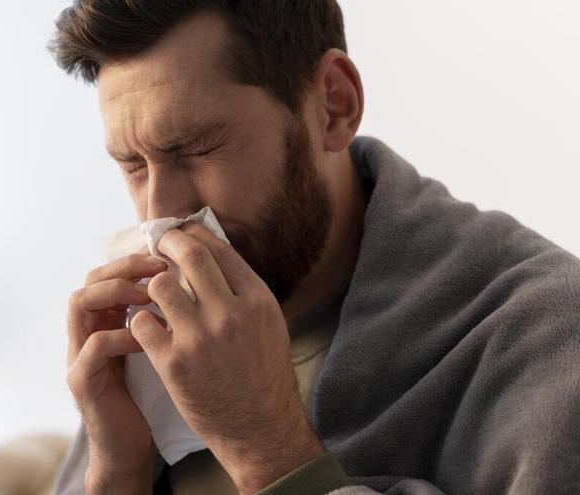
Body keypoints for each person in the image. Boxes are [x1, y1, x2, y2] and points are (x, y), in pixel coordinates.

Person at [47, 1, 580, 494]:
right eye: (133, 165)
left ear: (334, 105)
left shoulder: (549, 341)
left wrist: (269, 451)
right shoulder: (153, 349)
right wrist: (117, 470)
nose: (159, 212)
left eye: (196, 147)